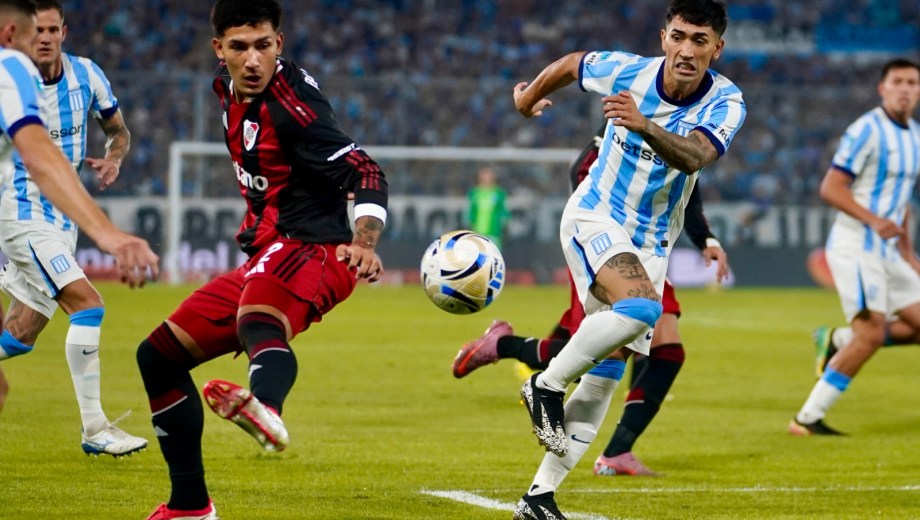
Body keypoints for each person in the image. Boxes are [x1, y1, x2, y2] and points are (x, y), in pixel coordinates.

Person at [138, 1, 388, 518]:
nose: (253, 60)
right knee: (157, 357)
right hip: (268, 250)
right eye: (239, 47)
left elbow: (366, 172)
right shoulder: (224, 89)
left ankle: (268, 411)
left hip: (317, 249)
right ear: (219, 50)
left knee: (258, 320)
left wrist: (363, 241)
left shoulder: (295, 107)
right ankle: (189, 505)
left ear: (280, 44)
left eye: (264, 46)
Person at [509, 0, 745, 517]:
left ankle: (539, 497)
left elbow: (697, 156)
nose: (686, 50)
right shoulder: (627, 71)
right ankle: (543, 382)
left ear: (717, 48)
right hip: (596, 216)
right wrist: (528, 99)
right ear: (663, 37)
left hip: (653, 243)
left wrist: (643, 126)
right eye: (679, 36)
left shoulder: (726, 102)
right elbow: (573, 63)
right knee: (642, 309)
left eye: (699, 41)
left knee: (605, 375)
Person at [453, 127, 729, 478]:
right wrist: (603, 223)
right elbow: (581, 168)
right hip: (607, 244)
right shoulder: (639, 105)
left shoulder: (692, 121)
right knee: (617, 347)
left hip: (650, 247)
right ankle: (519, 359)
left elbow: (685, 184)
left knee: (648, 349)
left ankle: (613, 450)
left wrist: (704, 236)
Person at [0, 0, 147, 455]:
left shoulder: (87, 75)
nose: (42, 39)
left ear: (63, 31)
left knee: (20, 335)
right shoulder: (11, 75)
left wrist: (114, 158)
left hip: (61, 220)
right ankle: (95, 429)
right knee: (88, 305)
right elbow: (39, 159)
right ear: (16, 33)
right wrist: (109, 235)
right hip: (23, 212)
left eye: (50, 30)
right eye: (34, 31)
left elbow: (118, 131)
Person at [790, 58, 920, 437]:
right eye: (897, 81)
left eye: (912, 82)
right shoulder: (866, 130)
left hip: (888, 250)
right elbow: (831, 187)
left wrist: (909, 253)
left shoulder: (914, 135)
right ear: (883, 88)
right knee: (871, 334)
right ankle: (807, 419)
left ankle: (837, 340)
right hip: (856, 245)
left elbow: (902, 202)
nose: (905, 88)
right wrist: (873, 220)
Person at [466, 165, 509, 247]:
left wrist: (505, 225)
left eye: (488, 175)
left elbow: (503, 210)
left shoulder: (498, 192)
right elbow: (470, 210)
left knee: (494, 255)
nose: (486, 177)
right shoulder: (474, 192)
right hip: (477, 231)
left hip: (494, 232)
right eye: (483, 175)